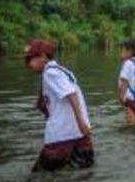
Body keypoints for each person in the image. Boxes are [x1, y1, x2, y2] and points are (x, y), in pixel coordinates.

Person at [24, 39, 94, 172]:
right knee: (83, 176)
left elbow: (71, 94)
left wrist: (80, 122)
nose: (28, 64)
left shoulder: (50, 73)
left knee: (38, 178)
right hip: (81, 135)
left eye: (30, 59)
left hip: (62, 136)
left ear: (43, 56)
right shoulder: (61, 71)